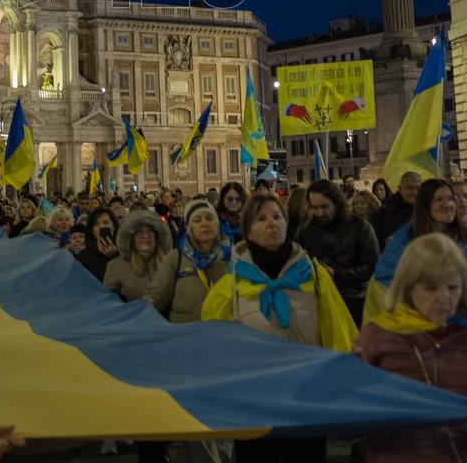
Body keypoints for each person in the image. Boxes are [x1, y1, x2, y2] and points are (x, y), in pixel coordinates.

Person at [203, 194, 357, 463]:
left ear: (287, 224)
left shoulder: (313, 274)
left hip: (306, 395)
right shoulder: (232, 283)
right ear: (248, 230)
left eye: (277, 217)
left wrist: (345, 383)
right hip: (254, 400)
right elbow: (212, 343)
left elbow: (337, 328)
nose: (271, 223)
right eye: (261, 219)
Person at [355, 233, 467, 462]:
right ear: (407, 287)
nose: (444, 298)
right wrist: (353, 384)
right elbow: (350, 423)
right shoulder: (378, 337)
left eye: (453, 287)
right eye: (430, 287)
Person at [364, 178, 467, 323]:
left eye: (451, 198)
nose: (447, 205)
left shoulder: (463, 235)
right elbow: (384, 283)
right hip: (415, 325)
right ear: (425, 205)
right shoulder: (404, 240)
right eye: (438, 200)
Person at [297, 179, 379, 325]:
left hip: (353, 304)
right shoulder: (306, 231)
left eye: (325, 207)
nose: (320, 213)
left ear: (336, 203)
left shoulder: (360, 227)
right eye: (315, 208)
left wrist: (337, 274)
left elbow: (371, 267)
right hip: (319, 304)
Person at [145, 198, 230, 323]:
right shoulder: (176, 258)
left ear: (217, 224)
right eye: (197, 220)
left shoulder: (232, 256)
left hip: (224, 333)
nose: (205, 223)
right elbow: (157, 293)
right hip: (186, 334)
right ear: (189, 228)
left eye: (209, 218)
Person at [103, 210, 172, 302]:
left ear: (157, 236)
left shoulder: (171, 264)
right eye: (139, 232)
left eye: (150, 231)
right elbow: (107, 302)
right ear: (131, 238)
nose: (145, 235)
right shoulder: (116, 266)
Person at [370, 171, 421, 248]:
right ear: (400, 189)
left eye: (417, 188)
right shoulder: (385, 210)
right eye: (409, 188)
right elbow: (372, 239)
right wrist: (385, 242)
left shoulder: (428, 210)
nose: (414, 192)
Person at [77, 208, 119, 282]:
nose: (102, 227)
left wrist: (113, 256)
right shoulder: (84, 256)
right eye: (96, 224)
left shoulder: (126, 250)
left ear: (114, 226)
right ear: (92, 230)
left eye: (105, 222)